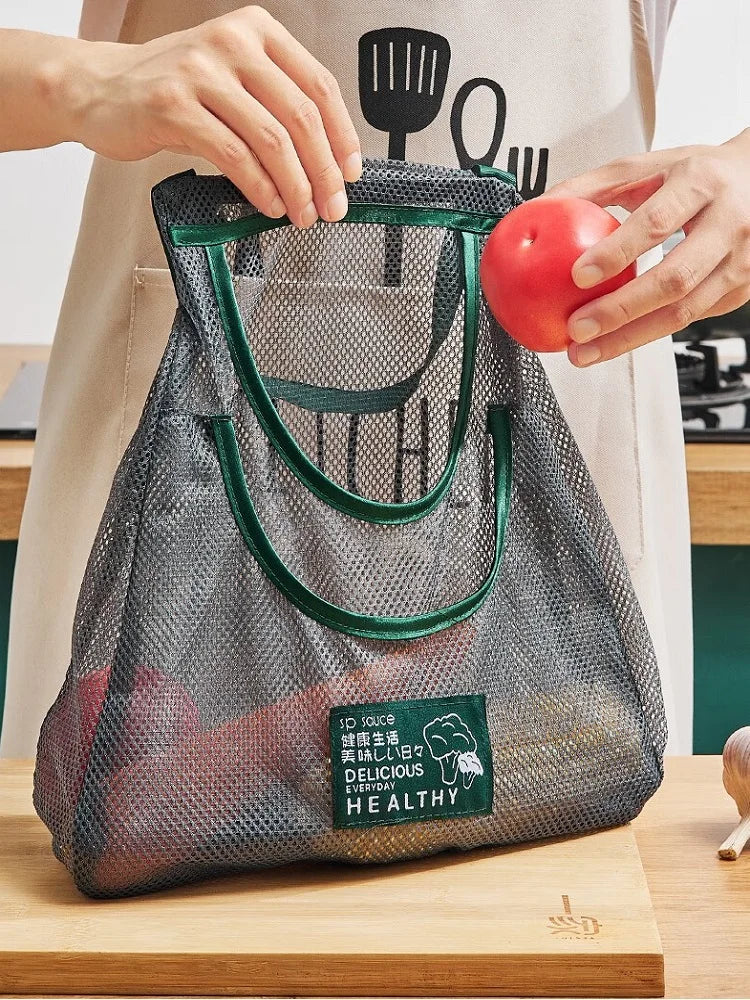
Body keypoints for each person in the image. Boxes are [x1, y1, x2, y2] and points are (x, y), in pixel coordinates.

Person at [1, 0, 747, 759]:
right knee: (131, 823)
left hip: (565, 423)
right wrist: (81, 82)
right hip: (184, 464)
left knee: (570, 835)